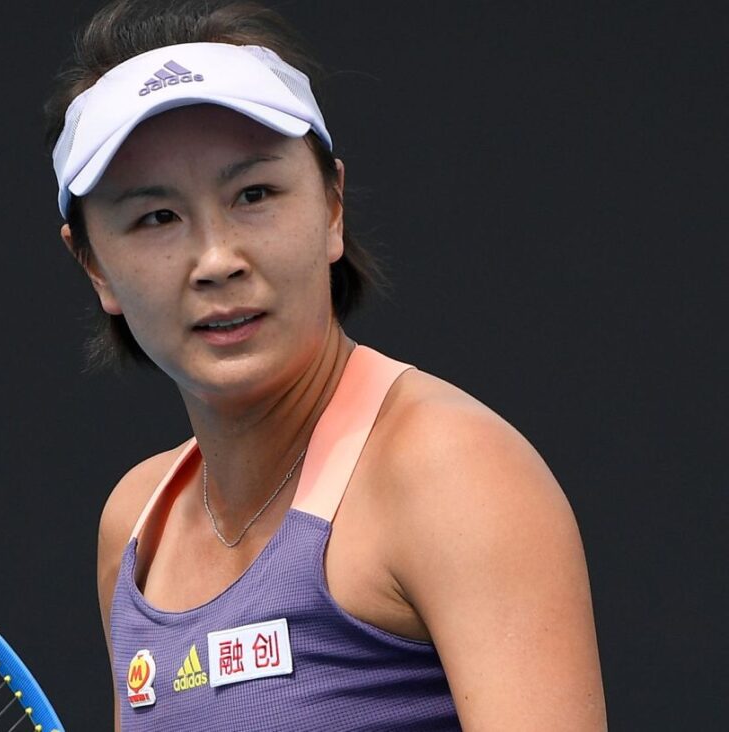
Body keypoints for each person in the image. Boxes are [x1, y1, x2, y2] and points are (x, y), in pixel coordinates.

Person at [45, 1, 607, 729]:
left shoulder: (453, 472)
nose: (217, 259)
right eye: (157, 217)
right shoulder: (135, 527)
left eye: (254, 194)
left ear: (333, 206)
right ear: (95, 266)